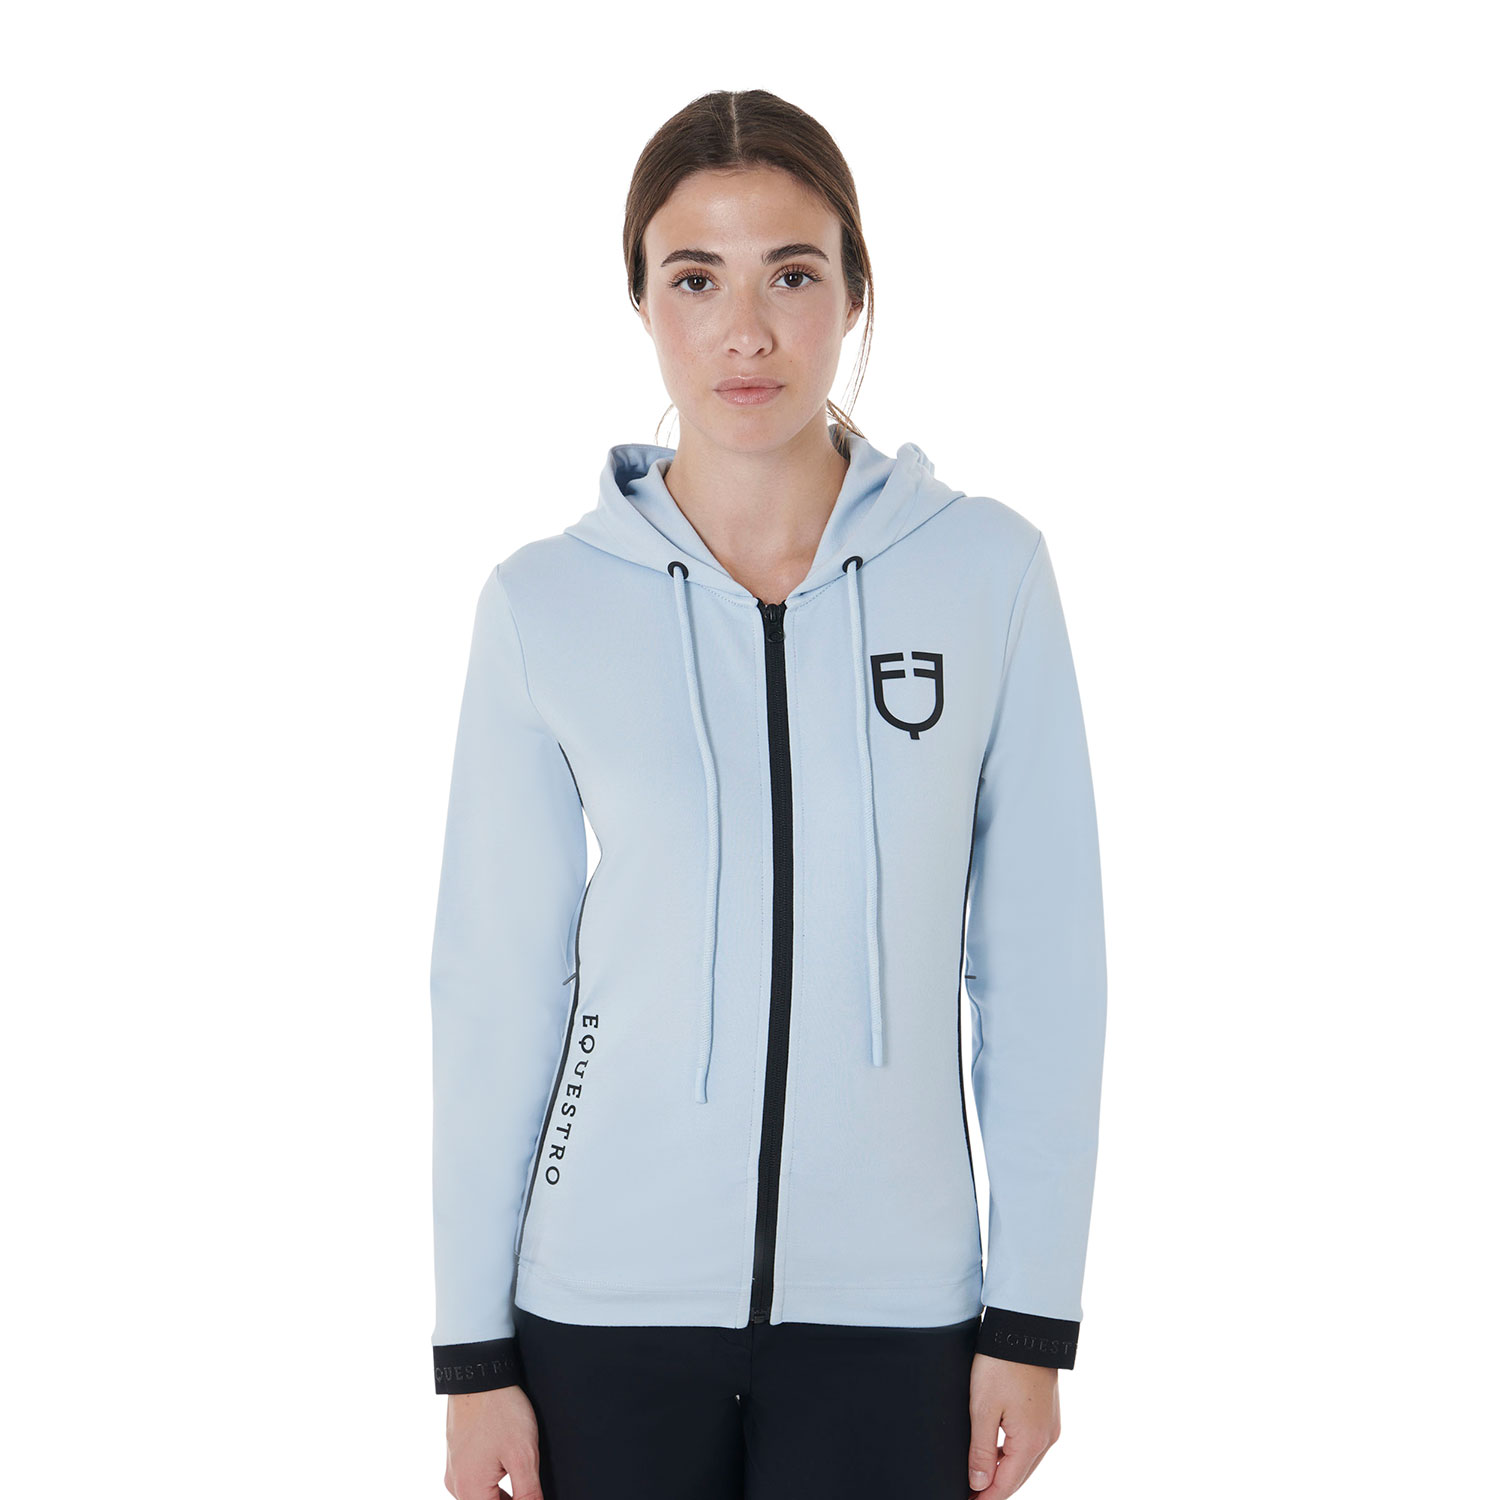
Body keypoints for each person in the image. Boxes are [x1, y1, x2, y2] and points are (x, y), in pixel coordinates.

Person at [429, 89, 1107, 1500]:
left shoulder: (986, 575)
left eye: (792, 275)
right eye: (696, 279)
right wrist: (472, 1351)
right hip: (602, 1308)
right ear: (641, 301)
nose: (746, 331)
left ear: (855, 291)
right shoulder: (544, 605)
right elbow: (495, 989)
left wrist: (1033, 1317)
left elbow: (1044, 968)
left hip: (901, 1316)